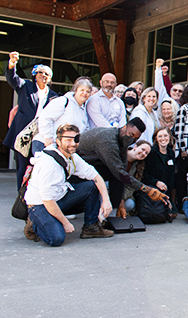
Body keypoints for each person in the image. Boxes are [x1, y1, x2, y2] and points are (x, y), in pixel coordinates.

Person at [24, 124, 113, 246]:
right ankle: (35, 224)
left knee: (92, 186)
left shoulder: (72, 157)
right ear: (58, 141)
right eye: (68, 140)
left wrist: (106, 200)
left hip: (60, 197)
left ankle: (91, 228)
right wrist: (65, 222)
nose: (73, 143)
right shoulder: (49, 164)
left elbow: (95, 176)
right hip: (41, 204)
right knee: (56, 239)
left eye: (75, 139)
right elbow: (47, 199)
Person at [77, 118, 168, 209]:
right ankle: (94, 219)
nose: (132, 139)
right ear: (124, 127)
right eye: (131, 135)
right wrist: (146, 189)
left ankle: (114, 213)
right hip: (75, 167)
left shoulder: (122, 139)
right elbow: (119, 172)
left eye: (136, 138)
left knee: (117, 177)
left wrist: (121, 201)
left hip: (89, 164)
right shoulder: (108, 141)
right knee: (114, 175)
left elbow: (122, 171)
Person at [4, 52, 58, 189]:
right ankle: (22, 197)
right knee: (22, 167)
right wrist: (12, 63)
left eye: (46, 74)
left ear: (50, 78)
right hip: (24, 135)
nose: (43, 75)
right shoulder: (26, 87)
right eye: (40, 72)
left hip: (41, 136)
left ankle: (35, 194)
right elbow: (12, 78)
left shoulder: (54, 96)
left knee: (39, 165)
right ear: (35, 75)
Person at [37, 77, 92, 154]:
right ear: (75, 91)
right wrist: (48, 137)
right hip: (47, 145)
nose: (85, 93)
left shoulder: (83, 111)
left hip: (65, 149)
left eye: (88, 91)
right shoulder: (63, 101)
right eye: (82, 90)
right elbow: (45, 117)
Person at [142, 127, 177, 217]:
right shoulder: (151, 153)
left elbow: (171, 177)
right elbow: (144, 175)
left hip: (165, 191)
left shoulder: (171, 153)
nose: (163, 139)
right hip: (153, 189)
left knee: (173, 214)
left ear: (169, 137)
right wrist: (156, 182)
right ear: (156, 138)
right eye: (160, 136)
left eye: (165, 136)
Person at [118, 140, 152, 217]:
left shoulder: (139, 166)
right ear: (135, 146)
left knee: (130, 204)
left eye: (146, 153)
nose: (143, 153)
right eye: (142, 149)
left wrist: (121, 198)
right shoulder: (120, 154)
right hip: (109, 189)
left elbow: (132, 188)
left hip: (123, 192)